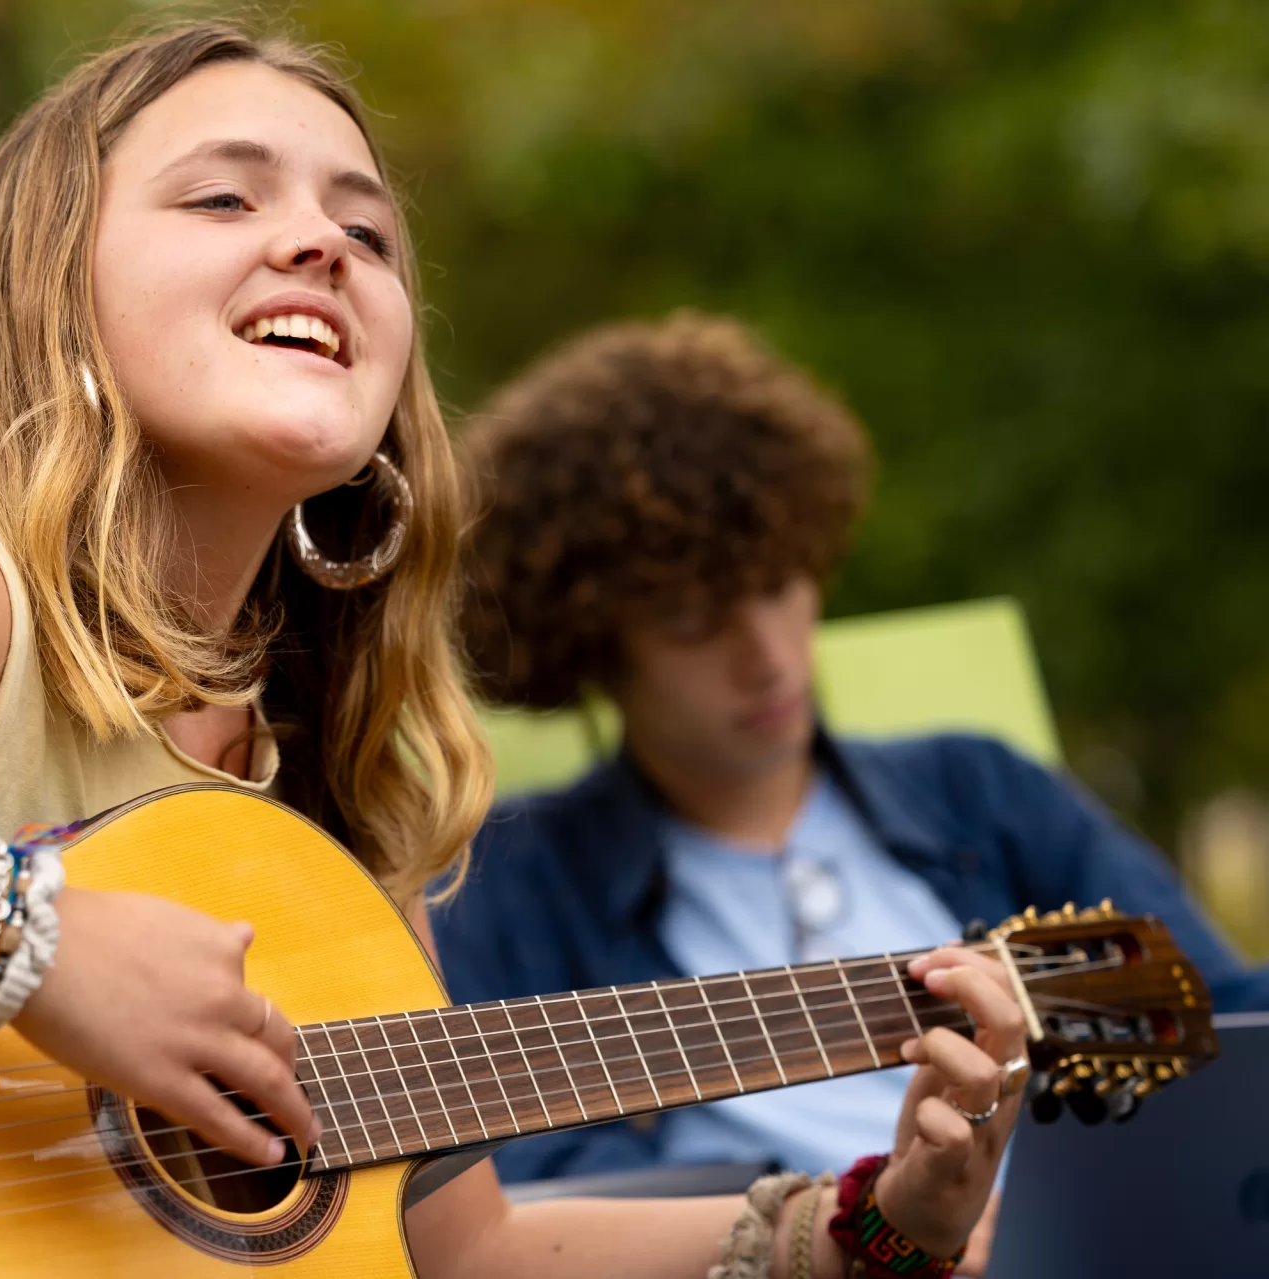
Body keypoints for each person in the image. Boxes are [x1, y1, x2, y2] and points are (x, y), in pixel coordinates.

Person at [0, 25, 1024, 1278]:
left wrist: (863, 1221)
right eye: (223, 197)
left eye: (365, 233)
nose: (317, 243)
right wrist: (22, 946)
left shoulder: (325, 785)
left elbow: (460, 1254)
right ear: (54, 294)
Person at [434, 312, 1265, 1196]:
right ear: (590, 642)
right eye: (693, 617)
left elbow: (1217, 1019)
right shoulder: (504, 881)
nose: (769, 655)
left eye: (778, 583)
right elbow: (524, 1197)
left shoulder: (979, 791)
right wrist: (853, 1229)